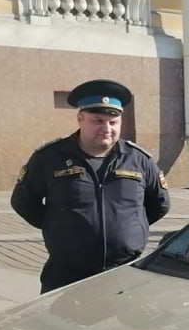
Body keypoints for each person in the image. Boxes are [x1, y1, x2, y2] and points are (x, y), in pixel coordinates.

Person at [11, 79, 171, 293]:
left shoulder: (139, 160)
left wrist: (130, 227)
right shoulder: (50, 158)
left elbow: (159, 204)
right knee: (61, 326)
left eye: (113, 122)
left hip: (124, 272)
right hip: (67, 274)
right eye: (98, 120)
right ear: (80, 118)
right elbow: (23, 202)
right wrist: (59, 227)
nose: (106, 128)